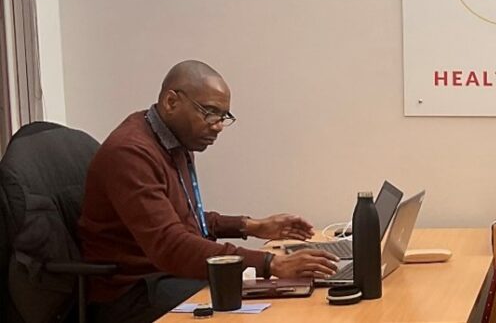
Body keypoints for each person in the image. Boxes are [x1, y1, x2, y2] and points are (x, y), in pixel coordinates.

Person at [78, 60, 338, 322]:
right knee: (259, 307)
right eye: (210, 112)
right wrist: (271, 263)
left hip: (167, 277)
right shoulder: (131, 153)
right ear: (171, 102)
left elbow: (185, 218)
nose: (218, 126)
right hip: (132, 294)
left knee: (283, 297)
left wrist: (251, 226)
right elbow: (171, 244)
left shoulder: (173, 140)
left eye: (224, 116)